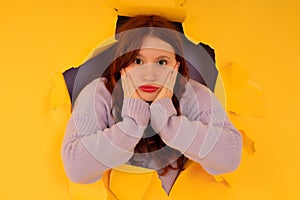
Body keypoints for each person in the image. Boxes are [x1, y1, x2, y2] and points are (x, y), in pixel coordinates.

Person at [61, 15, 242, 196]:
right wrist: (133, 124)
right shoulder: (99, 93)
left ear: (176, 67)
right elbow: (76, 168)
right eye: (137, 61)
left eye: (162, 62)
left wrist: (168, 123)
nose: (149, 75)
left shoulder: (193, 94)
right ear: (122, 64)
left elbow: (229, 157)